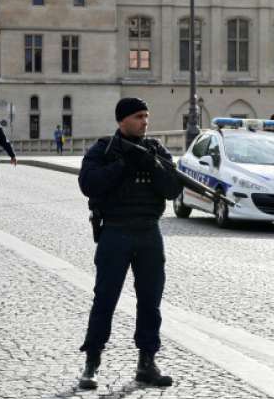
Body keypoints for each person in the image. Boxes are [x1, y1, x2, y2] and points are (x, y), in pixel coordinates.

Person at [76, 97, 183, 390]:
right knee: (105, 299)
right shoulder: (104, 149)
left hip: (149, 232)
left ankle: (147, 362)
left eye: (146, 116)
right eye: (138, 117)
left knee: (151, 301)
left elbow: (173, 189)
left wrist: (153, 165)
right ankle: (92, 362)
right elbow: (88, 183)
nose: (144, 122)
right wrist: (122, 166)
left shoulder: (155, 149)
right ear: (122, 120)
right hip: (116, 232)